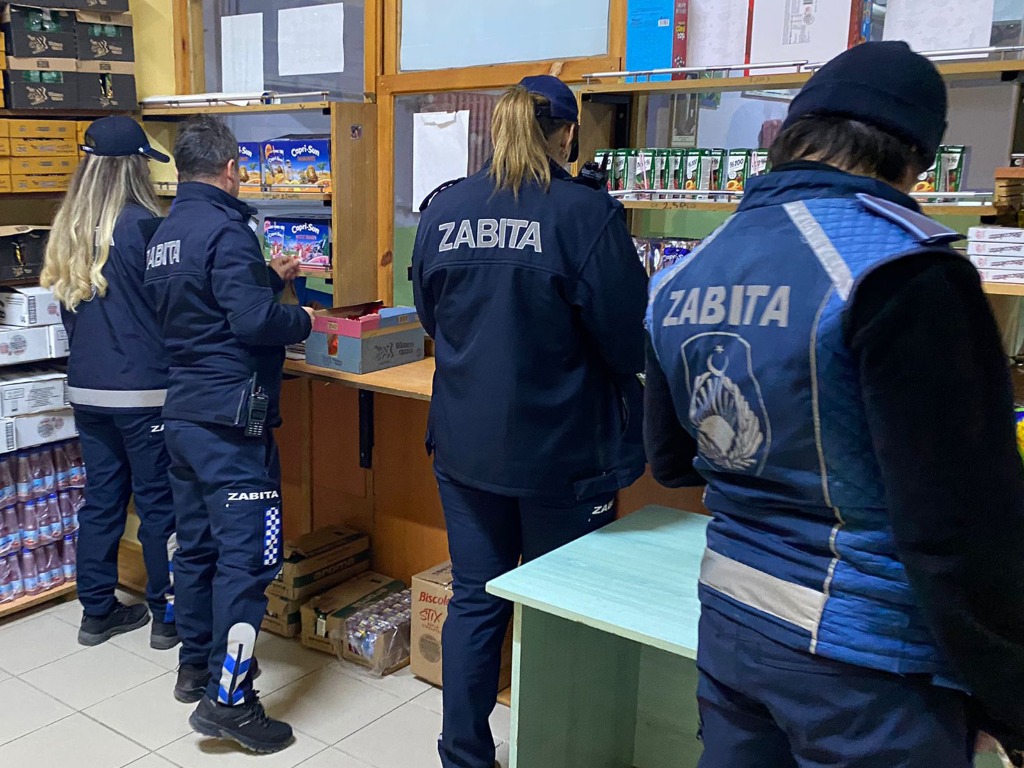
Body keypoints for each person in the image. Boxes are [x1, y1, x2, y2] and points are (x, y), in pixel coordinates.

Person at [645, 41, 1024, 767]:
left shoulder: (682, 275)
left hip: (731, 622)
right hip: (868, 661)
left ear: (789, 135)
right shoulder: (902, 267)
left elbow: (670, 460)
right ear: (913, 159)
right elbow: (961, 523)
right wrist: (1011, 699)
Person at [413, 75, 648, 768]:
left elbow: (432, 317)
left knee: (476, 600)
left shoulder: (444, 210)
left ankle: (463, 755)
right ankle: (555, 750)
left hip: (464, 449)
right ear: (568, 133)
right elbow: (628, 339)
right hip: (562, 456)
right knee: (559, 607)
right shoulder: (584, 215)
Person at [143, 116, 314, 754]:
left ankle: (195, 667)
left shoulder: (167, 232)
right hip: (231, 424)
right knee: (250, 560)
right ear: (232, 167)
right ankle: (230, 701)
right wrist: (300, 316)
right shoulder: (228, 227)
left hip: (184, 415)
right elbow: (250, 325)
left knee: (198, 551)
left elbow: (201, 308)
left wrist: (268, 279)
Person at [40, 116, 178, 650]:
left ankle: (96, 610)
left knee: (101, 499)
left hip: (88, 390)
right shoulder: (144, 226)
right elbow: (170, 308)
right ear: (131, 168)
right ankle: (167, 616)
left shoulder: (69, 229)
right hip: (144, 391)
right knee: (159, 503)